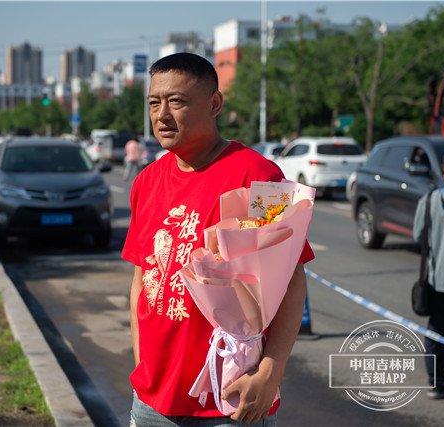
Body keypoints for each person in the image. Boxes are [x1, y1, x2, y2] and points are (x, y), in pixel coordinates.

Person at [122, 53, 315, 426]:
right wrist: (142, 362)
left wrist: (270, 374)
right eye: (154, 102)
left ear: (214, 104)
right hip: (151, 401)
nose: (162, 114)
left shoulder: (260, 177)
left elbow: (292, 282)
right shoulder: (146, 181)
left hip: (228, 402)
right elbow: (140, 283)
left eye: (176, 101)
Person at [413, 153, 444, 399]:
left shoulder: (429, 200)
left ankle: (437, 382)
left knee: (436, 332)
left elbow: (419, 236)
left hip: (438, 281)